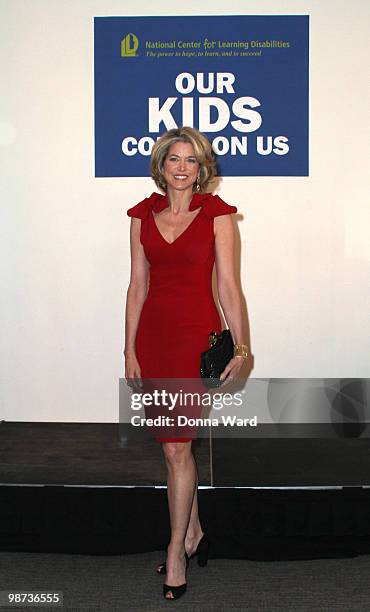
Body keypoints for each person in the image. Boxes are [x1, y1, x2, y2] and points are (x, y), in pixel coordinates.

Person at [124, 127, 248, 600]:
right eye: (174, 158)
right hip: (153, 337)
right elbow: (137, 285)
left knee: (178, 447)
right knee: (173, 445)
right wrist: (129, 348)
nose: (181, 167)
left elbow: (229, 288)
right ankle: (194, 533)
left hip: (194, 338)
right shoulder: (141, 216)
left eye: (190, 160)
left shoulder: (217, 216)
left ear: (201, 169)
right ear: (162, 165)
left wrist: (239, 346)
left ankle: (176, 549)